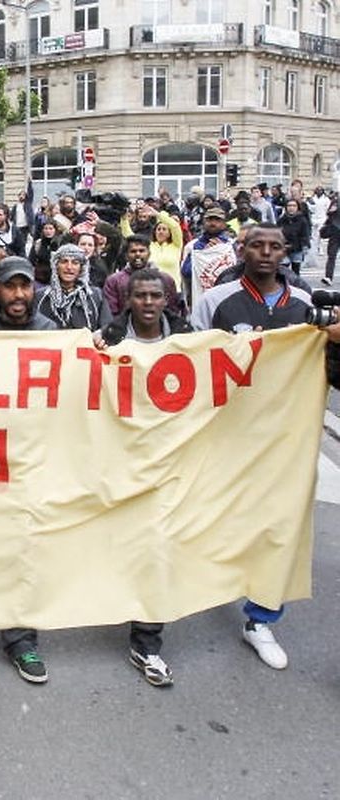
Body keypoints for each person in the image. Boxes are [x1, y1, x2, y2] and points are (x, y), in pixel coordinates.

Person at [190, 224, 316, 670]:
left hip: (284, 435)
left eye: (274, 246)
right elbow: (187, 362)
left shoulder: (305, 307)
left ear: (286, 253)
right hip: (226, 431)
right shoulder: (213, 302)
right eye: (256, 245)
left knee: (278, 526)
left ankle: (260, 618)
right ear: (240, 250)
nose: (265, 252)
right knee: (210, 514)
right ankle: (194, 583)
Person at [91, 268, 193, 687]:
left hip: (169, 463)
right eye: (141, 296)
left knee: (157, 548)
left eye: (156, 295)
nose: (149, 302)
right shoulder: (108, 338)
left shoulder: (189, 340)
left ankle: (147, 641)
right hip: (117, 460)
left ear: (166, 299)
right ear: (127, 300)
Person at [0, 256, 55, 683]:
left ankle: (21, 638)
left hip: (33, 452)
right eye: (10, 287)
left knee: (24, 540)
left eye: (25, 287)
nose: (19, 295)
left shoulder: (51, 332)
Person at [37, 243, 111, 331]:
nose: (69, 267)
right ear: (56, 266)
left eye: (75, 263)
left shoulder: (95, 296)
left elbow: (106, 327)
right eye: (64, 262)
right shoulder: (41, 297)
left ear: (81, 268)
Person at [104, 235, 181, 317]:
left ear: (149, 253)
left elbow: (172, 310)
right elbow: (111, 313)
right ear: (126, 255)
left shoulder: (165, 279)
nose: (138, 254)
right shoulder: (114, 281)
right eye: (133, 251)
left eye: (142, 251)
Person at [181, 207, 236, 306]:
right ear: (204, 222)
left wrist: (220, 250)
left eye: (217, 220)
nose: (213, 223)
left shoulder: (232, 246)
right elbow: (186, 272)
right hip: (201, 301)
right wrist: (204, 254)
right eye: (210, 219)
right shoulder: (192, 246)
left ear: (224, 224)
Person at [148, 210, 185, 291]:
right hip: (152, 290)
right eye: (158, 229)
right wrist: (124, 218)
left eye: (164, 229)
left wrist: (158, 214)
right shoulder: (149, 246)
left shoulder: (176, 245)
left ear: (169, 233)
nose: (161, 232)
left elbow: (175, 226)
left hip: (173, 290)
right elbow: (130, 236)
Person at [278, 198, 311, 275]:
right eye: (289, 206)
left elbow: (305, 235)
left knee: (295, 270)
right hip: (284, 248)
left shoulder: (302, 220)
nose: (291, 208)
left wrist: (304, 246)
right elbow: (277, 232)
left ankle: (295, 286)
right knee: (283, 270)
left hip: (297, 248)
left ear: (297, 207)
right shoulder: (281, 220)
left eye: (294, 206)